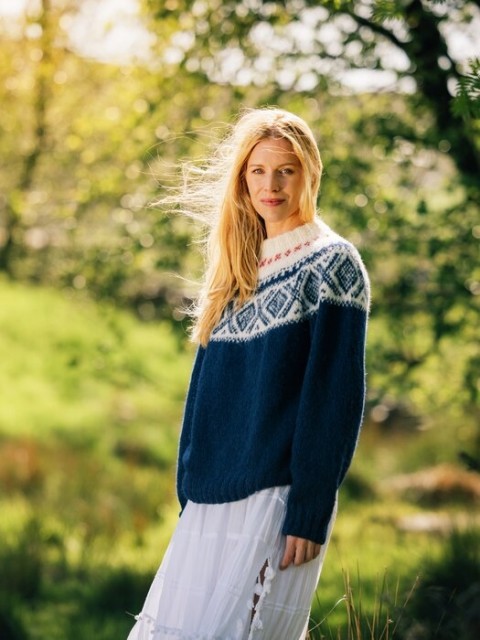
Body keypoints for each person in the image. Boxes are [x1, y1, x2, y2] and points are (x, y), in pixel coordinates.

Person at [127, 107, 370, 640]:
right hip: (209, 498)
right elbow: (204, 392)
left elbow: (333, 400)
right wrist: (188, 485)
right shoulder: (236, 269)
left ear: (310, 173)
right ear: (242, 179)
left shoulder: (333, 264)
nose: (270, 185)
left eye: (285, 170)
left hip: (278, 496)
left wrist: (309, 507)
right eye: (258, 171)